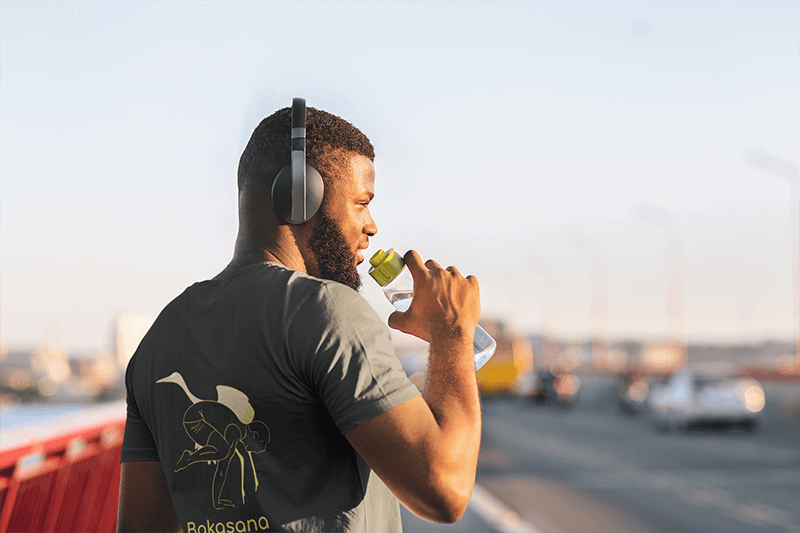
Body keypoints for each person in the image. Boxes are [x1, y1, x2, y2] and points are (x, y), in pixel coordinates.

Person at [117, 103, 483, 533]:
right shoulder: (329, 310)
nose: (372, 226)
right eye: (361, 203)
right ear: (299, 195)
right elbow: (445, 489)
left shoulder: (161, 338)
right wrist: (451, 332)